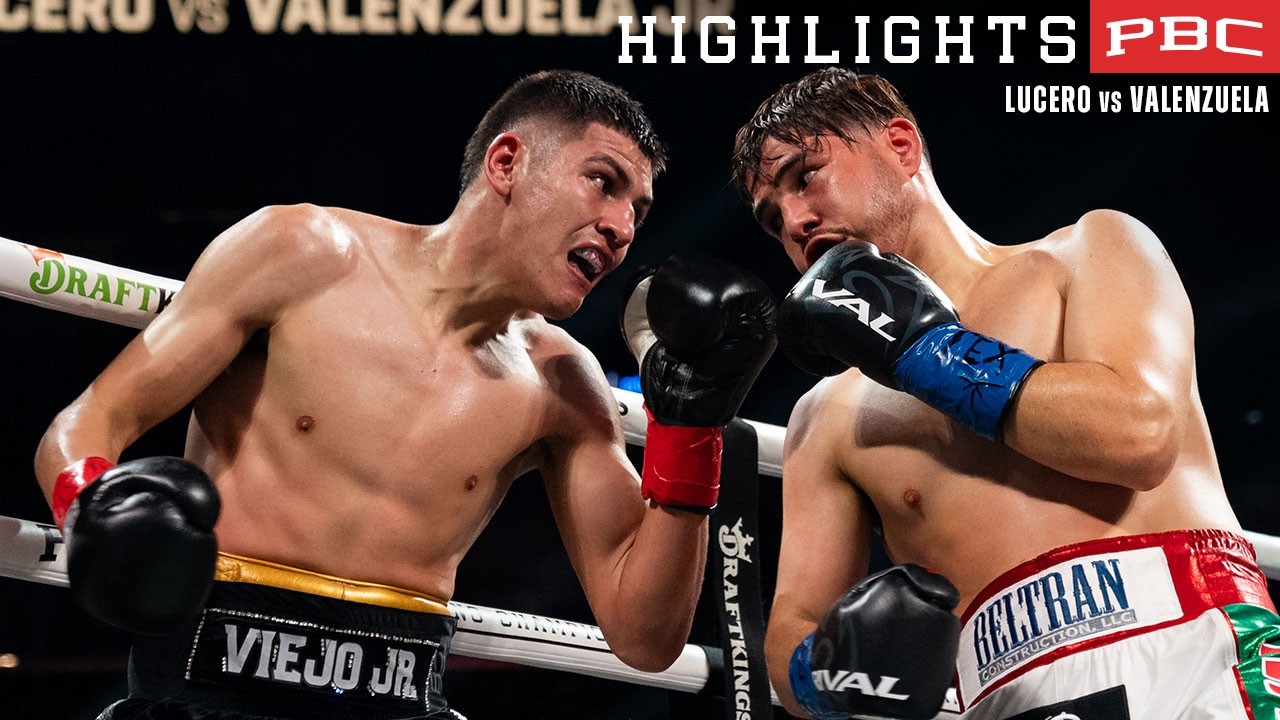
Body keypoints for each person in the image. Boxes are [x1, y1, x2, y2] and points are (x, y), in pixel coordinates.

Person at [34, 69, 778, 720]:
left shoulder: (561, 379)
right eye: (604, 183)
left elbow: (646, 639)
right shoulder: (303, 252)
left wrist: (691, 432)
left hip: (401, 698)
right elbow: (93, 419)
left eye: (639, 212)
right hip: (208, 689)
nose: (620, 228)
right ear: (508, 162)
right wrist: (94, 505)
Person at [729, 67, 1280, 720]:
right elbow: (794, 624)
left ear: (900, 146)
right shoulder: (827, 417)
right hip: (1004, 695)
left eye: (805, 176)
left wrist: (926, 352)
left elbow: (1140, 437)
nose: (795, 220)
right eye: (772, 219)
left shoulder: (1087, 252)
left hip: (1188, 646)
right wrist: (823, 669)